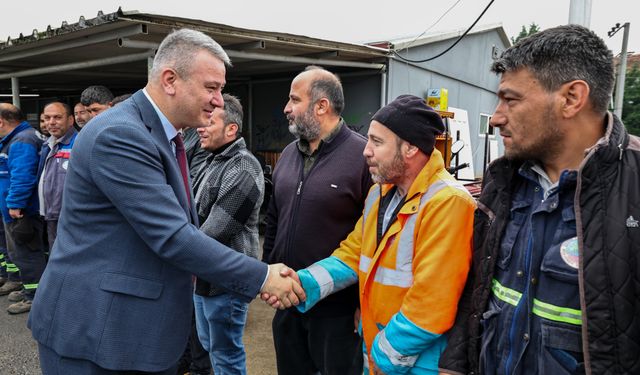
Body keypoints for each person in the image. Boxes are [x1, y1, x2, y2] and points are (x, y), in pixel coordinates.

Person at [28, 28, 304, 374]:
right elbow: (172, 235)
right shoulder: (121, 135)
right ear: (170, 80)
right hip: (97, 333)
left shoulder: (164, 136)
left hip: (129, 328)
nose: (220, 100)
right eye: (212, 87)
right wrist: (262, 276)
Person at [438, 25, 640, 375]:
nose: (497, 116)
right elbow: (477, 289)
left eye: (511, 99)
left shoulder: (633, 184)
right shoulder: (502, 181)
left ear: (571, 98)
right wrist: (454, 365)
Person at [269, 95, 476, 374]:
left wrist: (384, 355)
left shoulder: (448, 202)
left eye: (377, 142)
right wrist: (302, 284)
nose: (365, 151)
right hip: (381, 353)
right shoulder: (380, 194)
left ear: (411, 148)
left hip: (413, 362)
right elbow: (352, 254)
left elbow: (431, 303)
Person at [262, 65, 372, 375]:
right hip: (287, 304)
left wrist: (364, 303)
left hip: (337, 314)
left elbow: (374, 238)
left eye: (294, 100)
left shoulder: (363, 157)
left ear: (321, 106)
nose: (286, 109)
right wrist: (267, 270)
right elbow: (273, 219)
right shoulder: (286, 155)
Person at [192, 94, 264, 374]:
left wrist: (178, 247)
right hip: (205, 279)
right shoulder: (214, 161)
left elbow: (215, 231)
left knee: (226, 355)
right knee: (211, 348)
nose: (201, 126)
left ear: (231, 129)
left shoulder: (243, 167)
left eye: (210, 121)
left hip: (226, 283)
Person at [0, 103, 46, 315]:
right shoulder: (17, 138)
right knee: (20, 253)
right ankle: (27, 288)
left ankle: (34, 297)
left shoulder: (22, 141)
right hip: (15, 210)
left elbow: (23, 177)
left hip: (21, 213)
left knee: (26, 255)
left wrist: (16, 204)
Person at [37, 102, 77, 250]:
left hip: (69, 216)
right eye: (47, 118)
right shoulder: (47, 144)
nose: (51, 122)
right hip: (51, 214)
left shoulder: (78, 143)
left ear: (70, 120)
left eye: (57, 117)